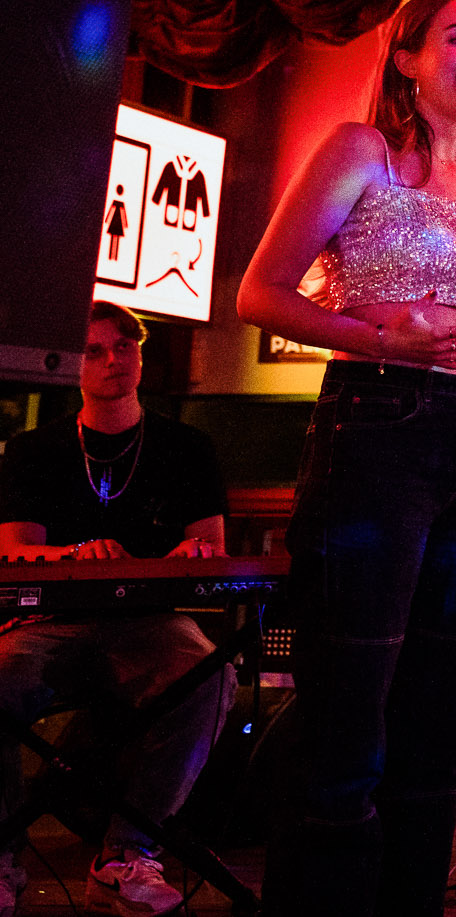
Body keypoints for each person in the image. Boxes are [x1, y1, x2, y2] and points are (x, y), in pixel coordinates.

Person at [237, 0, 456, 916]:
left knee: (442, 705)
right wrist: (381, 341)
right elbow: (259, 294)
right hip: (375, 423)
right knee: (352, 696)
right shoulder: (362, 153)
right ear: (408, 59)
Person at [0, 301, 236, 917]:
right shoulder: (33, 450)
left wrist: (193, 552)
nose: (112, 361)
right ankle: (2, 855)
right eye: (94, 351)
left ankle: (126, 854)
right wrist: (79, 554)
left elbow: (212, 547)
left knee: (209, 676)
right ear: (69, 365)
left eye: (123, 347)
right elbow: (14, 551)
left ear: (140, 352)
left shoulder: (186, 447)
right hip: (49, 621)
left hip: (149, 620)